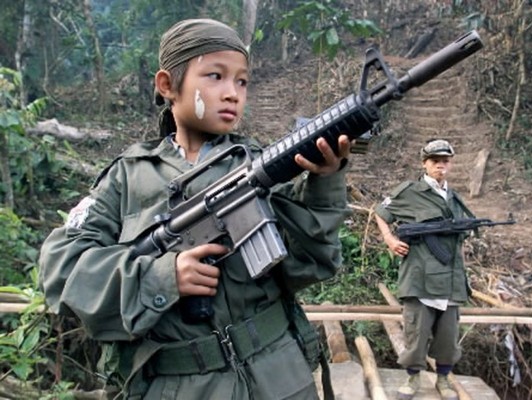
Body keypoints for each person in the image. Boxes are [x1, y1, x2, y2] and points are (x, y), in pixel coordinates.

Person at [40, 18, 351, 399]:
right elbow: (61, 270)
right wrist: (163, 277)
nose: (232, 93)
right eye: (215, 76)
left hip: (280, 379)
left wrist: (323, 183)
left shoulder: (258, 166)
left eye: (242, 81)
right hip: (177, 386)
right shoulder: (126, 178)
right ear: (168, 85)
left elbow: (310, 265)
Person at [374, 139, 474, 400]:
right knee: (416, 333)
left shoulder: (454, 199)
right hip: (419, 277)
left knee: (448, 337)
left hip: (450, 279)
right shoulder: (410, 192)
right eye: (435, 161)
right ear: (424, 164)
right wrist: (390, 240)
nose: (441, 165)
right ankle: (413, 378)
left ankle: (443, 379)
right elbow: (380, 212)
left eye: (445, 161)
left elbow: (462, 235)